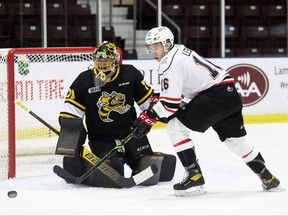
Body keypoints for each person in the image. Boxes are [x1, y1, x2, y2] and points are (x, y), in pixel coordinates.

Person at [131, 26, 283, 196]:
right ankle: (268, 177)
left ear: (167, 44)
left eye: (156, 46)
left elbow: (169, 104)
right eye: (150, 47)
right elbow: (179, 96)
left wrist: (148, 117)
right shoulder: (180, 50)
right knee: (236, 142)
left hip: (214, 97)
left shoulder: (169, 62)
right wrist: (161, 110)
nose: (153, 51)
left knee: (175, 127)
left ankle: (194, 177)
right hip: (229, 95)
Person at [56, 41, 176, 188]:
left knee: (147, 169)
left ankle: (159, 160)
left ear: (115, 60)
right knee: (112, 170)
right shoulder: (84, 80)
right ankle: (78, 165)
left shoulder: (130, 74)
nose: (102, 62)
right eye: (100, 59)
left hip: (132, 134)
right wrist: (73, 134)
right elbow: (70, 113)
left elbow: (148, 104)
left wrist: (151, 119)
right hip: (102, 138)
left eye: (106, 59)